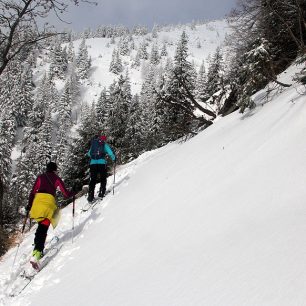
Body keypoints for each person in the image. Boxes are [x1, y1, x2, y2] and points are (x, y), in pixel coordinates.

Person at [26, 162, 74, 267]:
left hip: (37, 205)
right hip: (48, 205)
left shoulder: (40, 177)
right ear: (55, 169)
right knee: (43, 229)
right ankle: (37, 253)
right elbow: (65, 193)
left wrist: (29, 205)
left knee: (40, 228)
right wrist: (73, 193)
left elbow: (32, 192)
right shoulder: (56, 178)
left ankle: (37, 251)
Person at [87, 134, 116, 202]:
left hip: (93, 164)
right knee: (103, 178)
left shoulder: (93, 144)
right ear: (104, 139)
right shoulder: (104, 144)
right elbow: (110, 153)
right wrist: (114, 159)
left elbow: (89, 154)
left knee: (93, 180)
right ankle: (101, 193)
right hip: (102, 163)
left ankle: (90, 196)